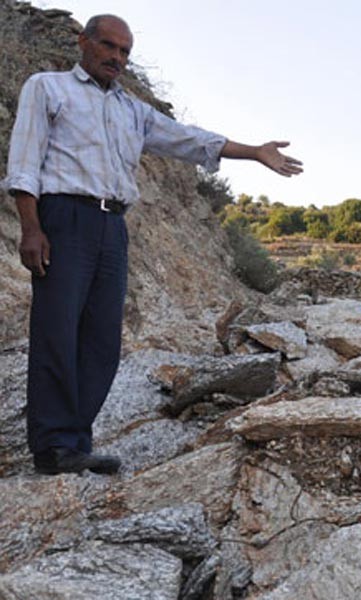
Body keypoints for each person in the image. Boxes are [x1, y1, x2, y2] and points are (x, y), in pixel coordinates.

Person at [2, 14, 303, 475]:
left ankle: (75, 440)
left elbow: (188, 140)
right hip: (63, 219)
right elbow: (25, 161)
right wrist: (31, 227)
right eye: (108, 46)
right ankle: (54, 447)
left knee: (103, 341)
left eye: (125, 52)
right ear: (82, 41)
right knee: (57, 332)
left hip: (113, 227)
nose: (117, 58)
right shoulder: (47, 88)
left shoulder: (132, 110)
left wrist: (254, 152)